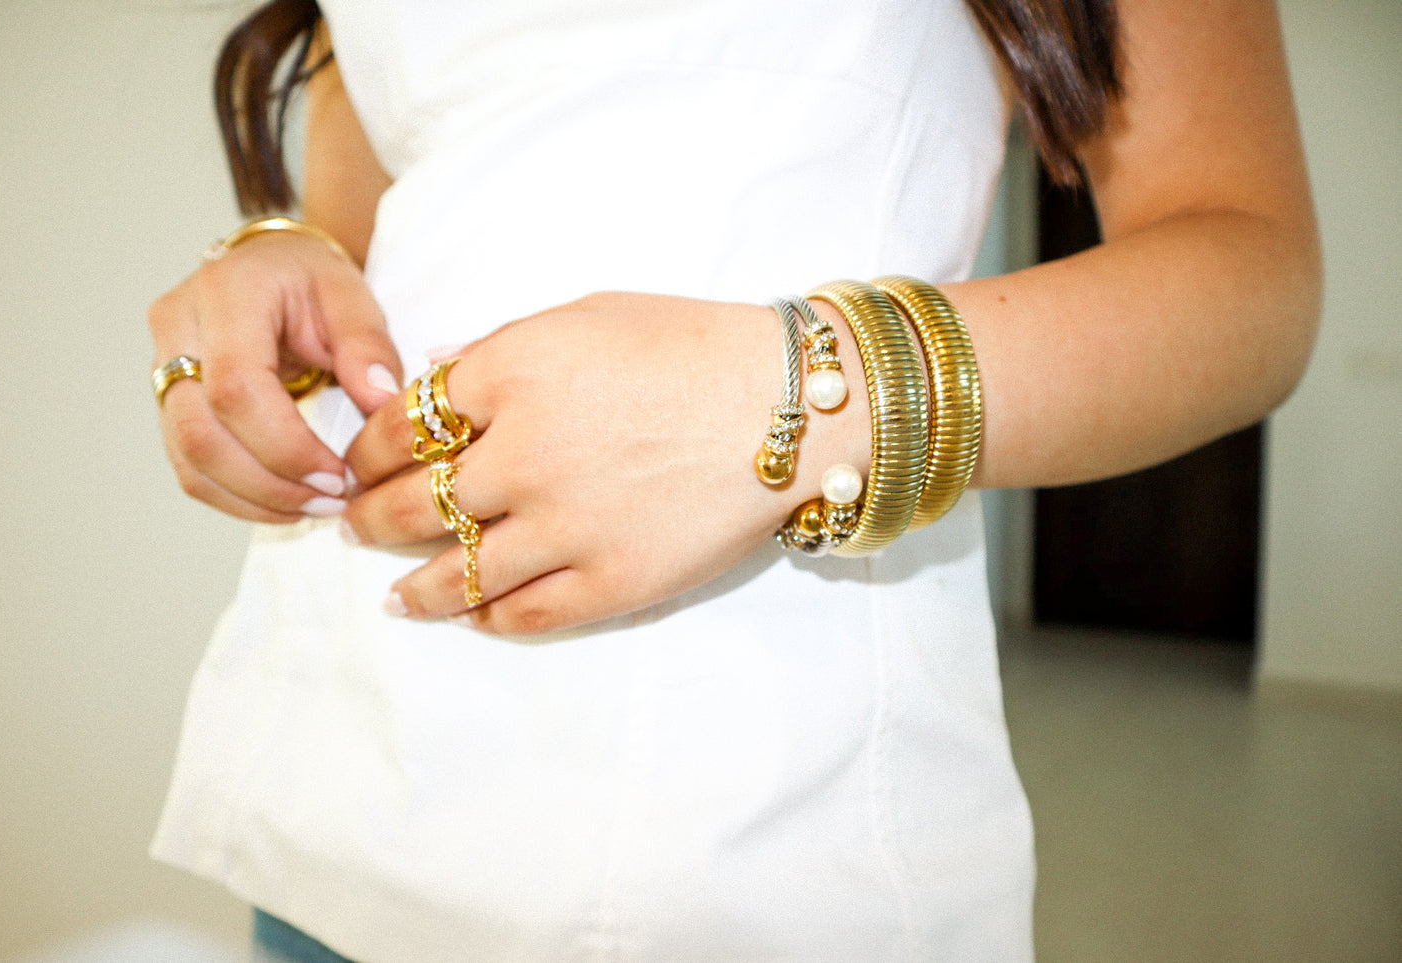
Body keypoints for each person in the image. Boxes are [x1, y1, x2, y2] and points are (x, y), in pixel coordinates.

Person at [146, 0, 1319, 959]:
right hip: (335, 784)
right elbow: (371, 214)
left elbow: (1247, 268)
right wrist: (276, 256)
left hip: (742, 841)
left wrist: (786, 399)